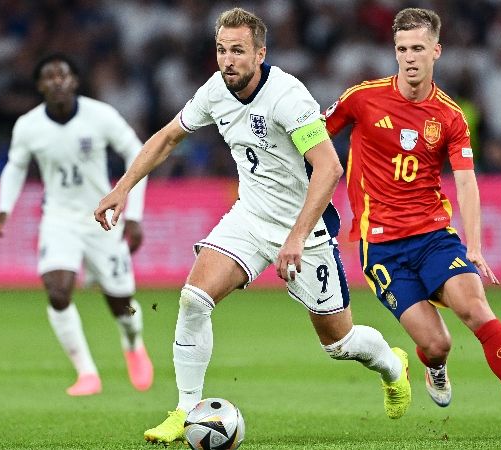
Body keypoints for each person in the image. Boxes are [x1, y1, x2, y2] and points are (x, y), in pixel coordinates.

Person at [94, 7, 411, 445]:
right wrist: (123, 186)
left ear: (260, 53)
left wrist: (297, 238)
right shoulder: (215, 92)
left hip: (305, 230)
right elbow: (168, 136)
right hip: (249, 216)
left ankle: (394, 366)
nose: (228, 60)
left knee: (339, 342)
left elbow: (328, 168)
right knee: (193, 301)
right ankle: (186, 411)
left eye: (238, 51)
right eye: (222, 50)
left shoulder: (288, 98)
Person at [324, 8, 501, 437]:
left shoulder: (450, 116)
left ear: (436, 51)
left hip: (434, 237)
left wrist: (474, 246)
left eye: (417, 48)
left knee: (475, 307)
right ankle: (434, 367)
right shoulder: (362, 98)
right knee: (437, 344)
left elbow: (466, 182)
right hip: (381, 248)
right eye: (401, 49)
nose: (409, 57)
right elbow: (316, 140)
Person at [0, 53, 153, 396]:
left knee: (121, 303)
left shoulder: (100, 115)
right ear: (39, 86)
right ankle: (86, 373)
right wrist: (4, 207)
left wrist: (134, 215)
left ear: (74, 81)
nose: (57, 82)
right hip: (59, 219)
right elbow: (15, 167)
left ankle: (133, 344)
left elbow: (137, 152)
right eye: (48, 77)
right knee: (58, 291)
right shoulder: (28, 125)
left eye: (62, 75)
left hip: (102, 218)